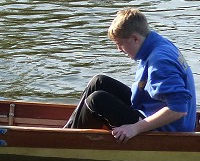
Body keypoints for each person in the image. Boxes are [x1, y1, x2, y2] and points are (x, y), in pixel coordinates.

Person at [64, 8, 196, 140]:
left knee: (96, 100)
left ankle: (66, 140)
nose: (119, 49)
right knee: (99, 82)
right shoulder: (157, 42)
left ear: (135, 39)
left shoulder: (159, 61)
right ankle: (66, 131)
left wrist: (135, 128)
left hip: (168, 129)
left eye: (120, 44)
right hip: (151, 110)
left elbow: (178, 109)